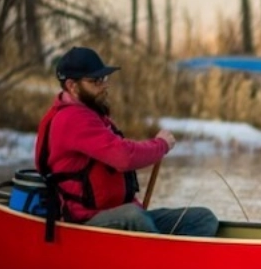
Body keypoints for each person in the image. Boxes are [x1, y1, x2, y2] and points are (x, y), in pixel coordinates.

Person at [34, 46, 219, 236]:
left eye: (104, 78)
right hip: (85, 220)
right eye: (95, 81)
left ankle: (172, 252)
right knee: (133, 217)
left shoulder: (93, 113)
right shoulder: (71, 119)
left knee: (202, 218)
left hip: (116, 213)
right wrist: (161, 145)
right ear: (72, 86)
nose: (104, 85)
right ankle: (160, 253)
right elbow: (123, 156)